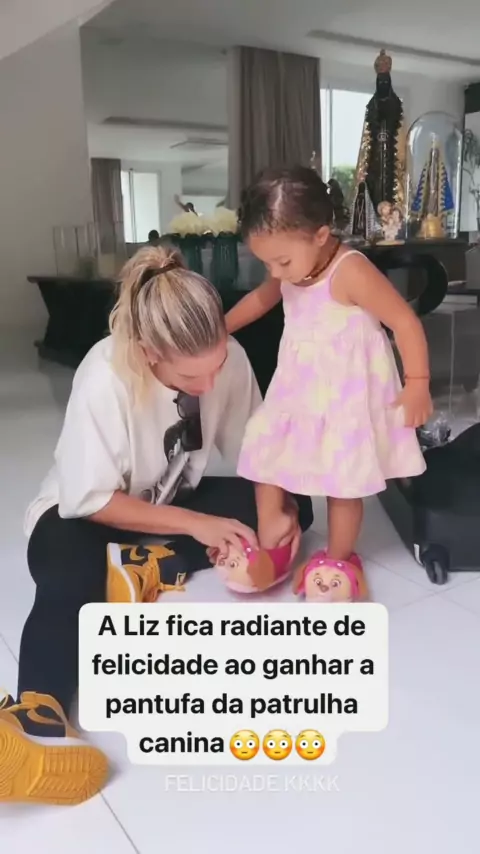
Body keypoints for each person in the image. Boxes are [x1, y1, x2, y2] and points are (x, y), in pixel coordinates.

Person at [0, 244, 313, 807]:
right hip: (85, 513)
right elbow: (90, 499)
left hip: (168, 499)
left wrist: (272, 513)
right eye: (192, 375)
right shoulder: (105, 373)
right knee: (68, 577)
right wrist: (197, 525)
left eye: (217, 365)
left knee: (298, 503)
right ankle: (36, 716)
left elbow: (259, 450)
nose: (210, 382)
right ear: (148, 354)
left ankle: (149, 565)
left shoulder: (228, 357)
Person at [226, 165, 432, 571]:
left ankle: (338, 560)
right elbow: (262, 298)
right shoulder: (292, 268)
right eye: (267, 263)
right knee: (261, 443)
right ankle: (273, 521)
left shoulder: (350, 270)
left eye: (282, 261)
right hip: (297, 386)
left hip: (345, 395)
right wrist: (220, 329)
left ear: (320, 236)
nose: (276, 273)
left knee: (343, 481)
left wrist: (418, 383)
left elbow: (404, 321)